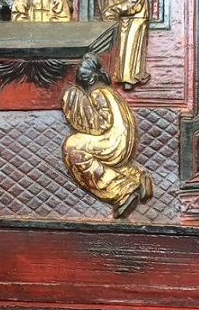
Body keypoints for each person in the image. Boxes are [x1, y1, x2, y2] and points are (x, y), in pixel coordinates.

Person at [61, 53, 152, 219]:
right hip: (121, 141)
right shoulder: (109, 92)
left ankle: (122, 191)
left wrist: (77, 103)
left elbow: (100, 125)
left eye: (83, 74)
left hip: (113, 142)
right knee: (91, 152)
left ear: (91, 77)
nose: (81, 77)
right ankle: (136, 177)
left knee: (73, 146)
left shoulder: (97, 94)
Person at [93, 0, 150, 90]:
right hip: (122, 21)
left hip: (135, 21)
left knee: (131, 48)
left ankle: (131, 78)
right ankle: (120, 76)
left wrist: (116, 9)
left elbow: (135, 3)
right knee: (121, 50)